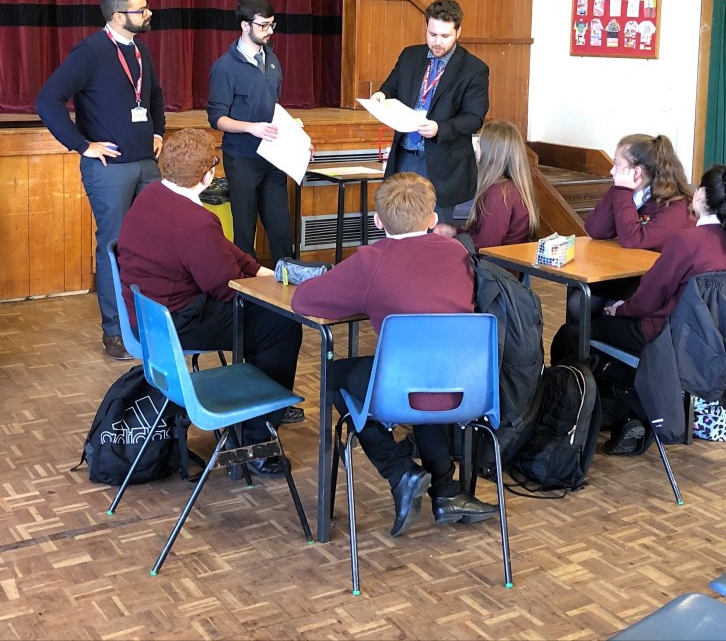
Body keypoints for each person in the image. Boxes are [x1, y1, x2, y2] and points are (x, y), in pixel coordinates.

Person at [291, 173, 499, 537]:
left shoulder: (371, 261)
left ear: (377, 221)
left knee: (337, 377)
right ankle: (446, 492)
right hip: (468, 390)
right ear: (432, 219)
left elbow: (303, 300)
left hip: (403, 391)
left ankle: (399, 470)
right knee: (424, 375)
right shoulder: (457, 252)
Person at [116, 129, 304, 472]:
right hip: (178, 323)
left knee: (266, 317)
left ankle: (262, 404)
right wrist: (275, 292)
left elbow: (219, 247)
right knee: (281, 325)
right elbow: (225, 288)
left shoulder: (152, 194)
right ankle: (256, 440)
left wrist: (261, 270)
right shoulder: (195, 222)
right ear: (208, 175)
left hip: (150, 317)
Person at [36, 0, 165, 361]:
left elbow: (154, 95)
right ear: (117, 16)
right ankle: (115, 332)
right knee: (115, 246)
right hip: (109, 170)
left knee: (151, 245)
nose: (149, 14)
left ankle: (148, 325)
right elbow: (47, 100)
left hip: (146, 163)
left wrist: (157, 130)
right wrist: (82, 145)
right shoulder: (90, 51)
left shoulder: (140, 49)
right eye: (141, 10)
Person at [554, 165, 726, 362]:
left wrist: (621, 309)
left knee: (572, 333)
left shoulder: (685, 241)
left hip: (664, 334)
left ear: (702, 194)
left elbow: (649, 299)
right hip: (713, 341)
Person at [550, 133, 695, 361]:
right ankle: (586, 363)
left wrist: (623, 192)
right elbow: (596, 229)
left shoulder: (674, 205)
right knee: (578, 304)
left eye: (617, 165)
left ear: (637, 172)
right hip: (626, 275)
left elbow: (633, 240)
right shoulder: (627, 192)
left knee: (603, 311)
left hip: (655, 284)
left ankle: (603, 363)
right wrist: (618, 191)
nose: (611, 171)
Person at [370, 0, 489, 225]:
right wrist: (381, 95)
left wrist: (439, 128)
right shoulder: (410, 56)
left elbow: (474, 118)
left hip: (443, 165)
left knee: (435, 232)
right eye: (432, 34)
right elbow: (391, 86)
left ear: (458, 32)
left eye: (445, 36)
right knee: (399, 225)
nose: (437, 42)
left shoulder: (474, 69)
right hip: (405, 155)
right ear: (426, 27)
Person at [207, 0, 304, 263]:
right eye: (263, 25)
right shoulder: (225, 67)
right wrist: (252, 128)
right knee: (244, 228)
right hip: (242, 159)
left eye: (272, 24)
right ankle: (245, 283)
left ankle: (288, 276)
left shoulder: (272, 60)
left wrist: (297, 137)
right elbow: (217, 119)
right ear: (245, 25)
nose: (269, 31)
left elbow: (275, 108)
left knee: (280, 226)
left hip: (273, 157)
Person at [433, 120, 539, 249]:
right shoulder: (509, 187)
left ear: (491, 152)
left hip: (493, 261)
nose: (475, 146)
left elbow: (486, 245)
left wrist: (451, 242)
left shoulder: (500, 193)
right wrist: (455, 232)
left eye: (479, 142)